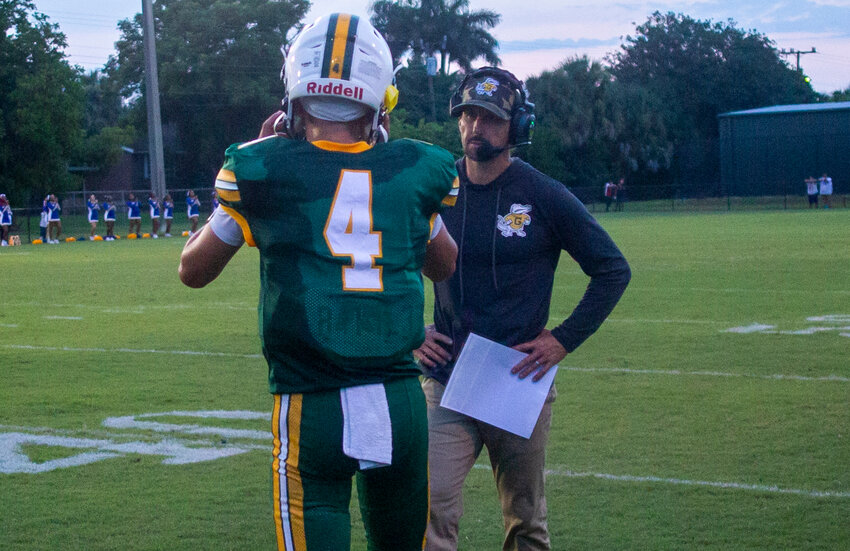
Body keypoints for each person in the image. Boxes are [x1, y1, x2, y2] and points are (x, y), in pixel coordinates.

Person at [179, 13, 459, 551]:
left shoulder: (261, 168)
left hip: (313, 404)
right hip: (399, 400)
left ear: (294, 95)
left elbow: (193, 270)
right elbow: (444, 264)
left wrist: (250, 183)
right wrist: (393, 197)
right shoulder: (414, 168)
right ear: (379, 98)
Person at [414, 67, 631, 551]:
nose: (475, 128)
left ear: (518, 127)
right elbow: (391, 256)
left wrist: (562, 339)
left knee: (525, 520)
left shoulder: (542, 194)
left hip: (517, 377)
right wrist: (413, 330)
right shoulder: (436, 187)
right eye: (468, 115)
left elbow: (613, 269)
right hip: (448, 378)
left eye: (490, 118)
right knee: (428, 506)